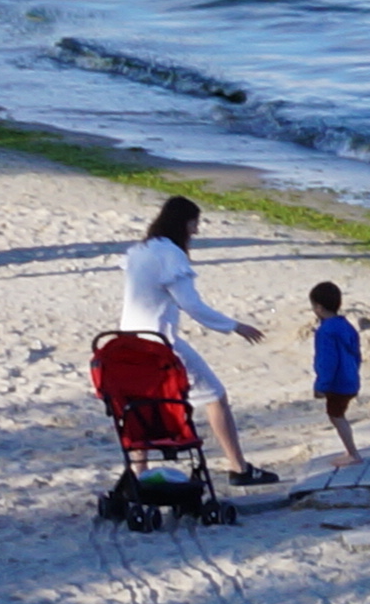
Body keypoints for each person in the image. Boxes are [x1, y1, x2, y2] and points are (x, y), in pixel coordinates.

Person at [114, 196, 278, 483]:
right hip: (159, 343)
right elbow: (191, 304)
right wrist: (234, 326)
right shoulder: (171, 254)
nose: (196, 231)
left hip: (128, 342)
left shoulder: (140, 250)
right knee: (215, 396)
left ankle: (139, 471)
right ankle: (239, 468)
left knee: (142, 404)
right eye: (194, 224)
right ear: (183, 223)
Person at [305, 279, 366, 473]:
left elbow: (327, 361)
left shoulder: (326, 331)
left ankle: (353, 453)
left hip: (337, 383)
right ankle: (351, 452)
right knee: (338, 414)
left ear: (319, 308)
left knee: (336, 416)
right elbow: (357, 354)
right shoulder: (345, 325)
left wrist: (321, 385)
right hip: (350, 378)